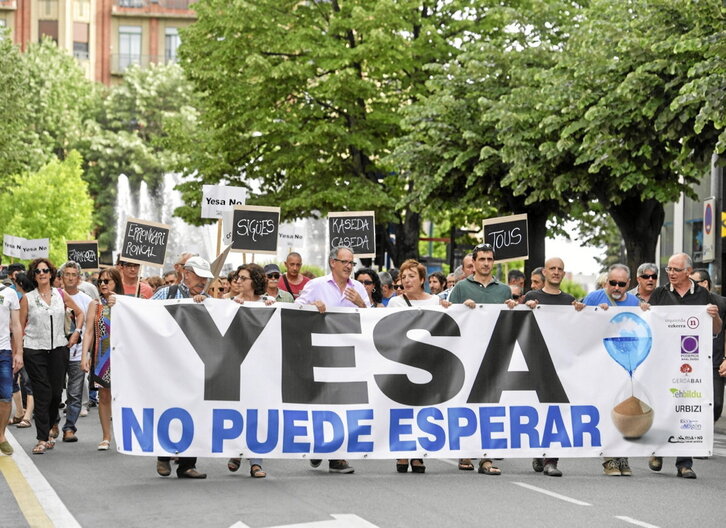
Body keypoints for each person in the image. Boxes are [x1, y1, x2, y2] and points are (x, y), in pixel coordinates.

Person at [644, 254, 722, 480]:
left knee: (686, 408)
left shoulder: (703, 295)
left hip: (690, 363)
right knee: (663, 405)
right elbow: (648, 321)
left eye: (676, 269)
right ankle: (658, 450)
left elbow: (715, 330)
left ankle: (684, 463)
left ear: (688, 272)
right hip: (662, 361)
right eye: (668, 269)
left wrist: (714, 316)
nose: (670, 273)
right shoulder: (660, 293)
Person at [295, 246, 371, 474]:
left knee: (344, 404)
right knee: (323, 403)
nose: (349, 266)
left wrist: (360, 302)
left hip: (349, 355)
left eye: (352, 263)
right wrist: (310, 306)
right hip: (320, 354)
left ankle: (337, 457)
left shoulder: (358, 288)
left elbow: (371, 320)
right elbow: (295, 309)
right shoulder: (316, 285)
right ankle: (320, 446)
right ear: (332, 263)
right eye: (345, 262)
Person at [509, 257, 576, 477]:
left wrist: (582, 312)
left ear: (563, 274)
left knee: (556, 409)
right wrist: (523, 307)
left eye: (560, 269)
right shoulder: (532, 296)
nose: (556, 272)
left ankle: (551, 460)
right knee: (538, 409)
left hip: (559, 364)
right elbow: (514, 322)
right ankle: (539, 451)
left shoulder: (569, 300)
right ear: (544, 273)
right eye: (552, 269)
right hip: (535, 361)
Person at [449, 243, 511, 476]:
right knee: (467, 404)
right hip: (466, 356)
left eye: (489, 259)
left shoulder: (503, 290)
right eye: (481, 259)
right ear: (473, 263)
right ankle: (465, 450)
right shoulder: (461, 288)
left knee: (489, 407)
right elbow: (450, 318)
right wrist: (460, 308)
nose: (486, 263)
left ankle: (485, 458)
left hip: (494, 355)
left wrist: (513, 308)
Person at [152, 256, 214, 479]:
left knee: (194, 408)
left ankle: (187, 464)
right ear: (186, 274)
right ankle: (163, 456)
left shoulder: (209, 300)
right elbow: (144, 316)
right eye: (199, 276)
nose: (203, 282)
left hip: (195, 364)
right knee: (167, 407)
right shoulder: (165, 294)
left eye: (206, 278)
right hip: (168, 362)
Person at [387, 259, 451, 474]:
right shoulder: (395, 303)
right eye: (403, 277)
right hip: (401, 363)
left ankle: (418, 453)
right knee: (402, 408)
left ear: (422, 279)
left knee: (422, 408)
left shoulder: (435, 302)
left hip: (428, 364)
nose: (407, 280)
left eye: (412, 276)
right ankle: (403, 452)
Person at [577, 263, 639, 476]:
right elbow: (577, 322)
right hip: (600, 366)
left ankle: (623, 456)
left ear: (628, 284)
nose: (616, 287)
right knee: (607, 409)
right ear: (606, 282)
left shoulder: (635, 302)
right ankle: (609, 459)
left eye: (621, 284)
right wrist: (588, 312)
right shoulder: (594, 298)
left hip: (624, 365)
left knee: (624, 410)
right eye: (612, 283)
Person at [20, 258, 85, 455]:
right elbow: (20, 325)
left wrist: (76, 333)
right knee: (42, 394)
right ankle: (42, 438)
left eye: (45, 270)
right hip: (34, 350)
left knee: (56, 394)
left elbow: (80, 313)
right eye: (38, 271)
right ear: (34, 275)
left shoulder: (60, 294)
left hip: (59, 349)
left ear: (51, 273)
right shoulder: (28, 298)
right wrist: (18, 351)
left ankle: (50, 427)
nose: (42, 273)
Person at [228, 264, 276, 478]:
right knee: (238, 411)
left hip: (260, 369)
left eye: (244, 278)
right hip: (236, 367)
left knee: (257, 413)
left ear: (254, 282)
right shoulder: (229, 304)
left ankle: (255, 462)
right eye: (237, 277)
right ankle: (236, 451)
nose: (239, 281)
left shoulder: (269, 304)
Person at [80, 268, 122, 451]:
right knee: (104, 395)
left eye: (108, 281)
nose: (103, 284)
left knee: (123, 396)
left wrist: (120, 302)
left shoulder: (126, 302)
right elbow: (88, 331)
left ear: (116, 283)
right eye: (101, 282)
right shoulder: (94, 305)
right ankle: (106, 436)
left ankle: (124, 434)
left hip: (124, 355)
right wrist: (84, 356)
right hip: (102, 355)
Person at [58, 261, 93, 443]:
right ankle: (53, 424)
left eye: (74, 274)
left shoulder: (86, 301)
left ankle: (69, 427)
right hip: (56, 351)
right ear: (61, 277)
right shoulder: (55, 297)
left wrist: (86, 355)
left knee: (75, 393)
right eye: (67, 274)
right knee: (54, 392)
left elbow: (89, 330)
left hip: (78, 352)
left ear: (79, 278)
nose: (70, 277)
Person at [689, 268, 726, 423]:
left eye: (693, 283)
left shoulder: (722, 303)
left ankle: (706, 428)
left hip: (715, 364)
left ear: (705, 283)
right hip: (691, 363)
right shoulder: (686, 302)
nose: (690, 286)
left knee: (717, 404)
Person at [0, 281, 23, 457]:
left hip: (4, 351)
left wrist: (19, 353)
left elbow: (16, 325)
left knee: (6, 397)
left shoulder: (9, 293)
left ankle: (1, 435)